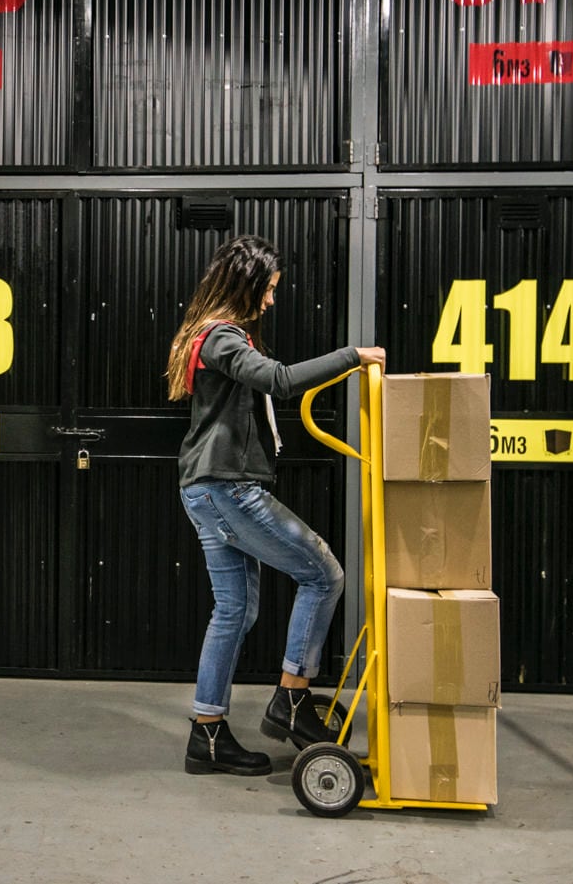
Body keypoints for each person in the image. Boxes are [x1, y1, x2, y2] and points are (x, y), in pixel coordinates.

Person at [165, 234, 386, 776]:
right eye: (267, 289)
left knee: (234, 610)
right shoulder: (221, 337)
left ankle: (207, 735)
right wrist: (353, 356)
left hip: (210, 487)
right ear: (244, 285)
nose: (270, 300)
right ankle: (291, 697)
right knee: (324, 574)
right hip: (227, 489)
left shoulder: (213, 334)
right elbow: (280, 381)